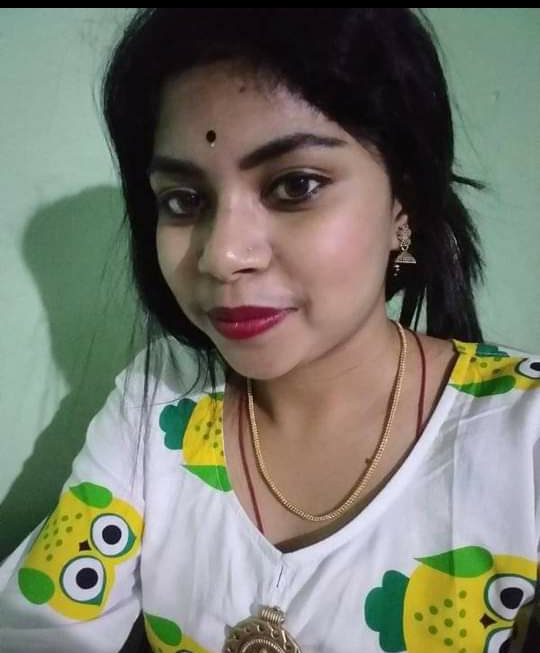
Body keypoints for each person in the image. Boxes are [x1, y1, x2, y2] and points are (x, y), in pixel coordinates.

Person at [0, 8, 538, 653]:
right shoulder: (159, 399)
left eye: (296, 185)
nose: (222, 255)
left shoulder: (525, 437)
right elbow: (40, 628)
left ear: (405, 202)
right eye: (183, 201)